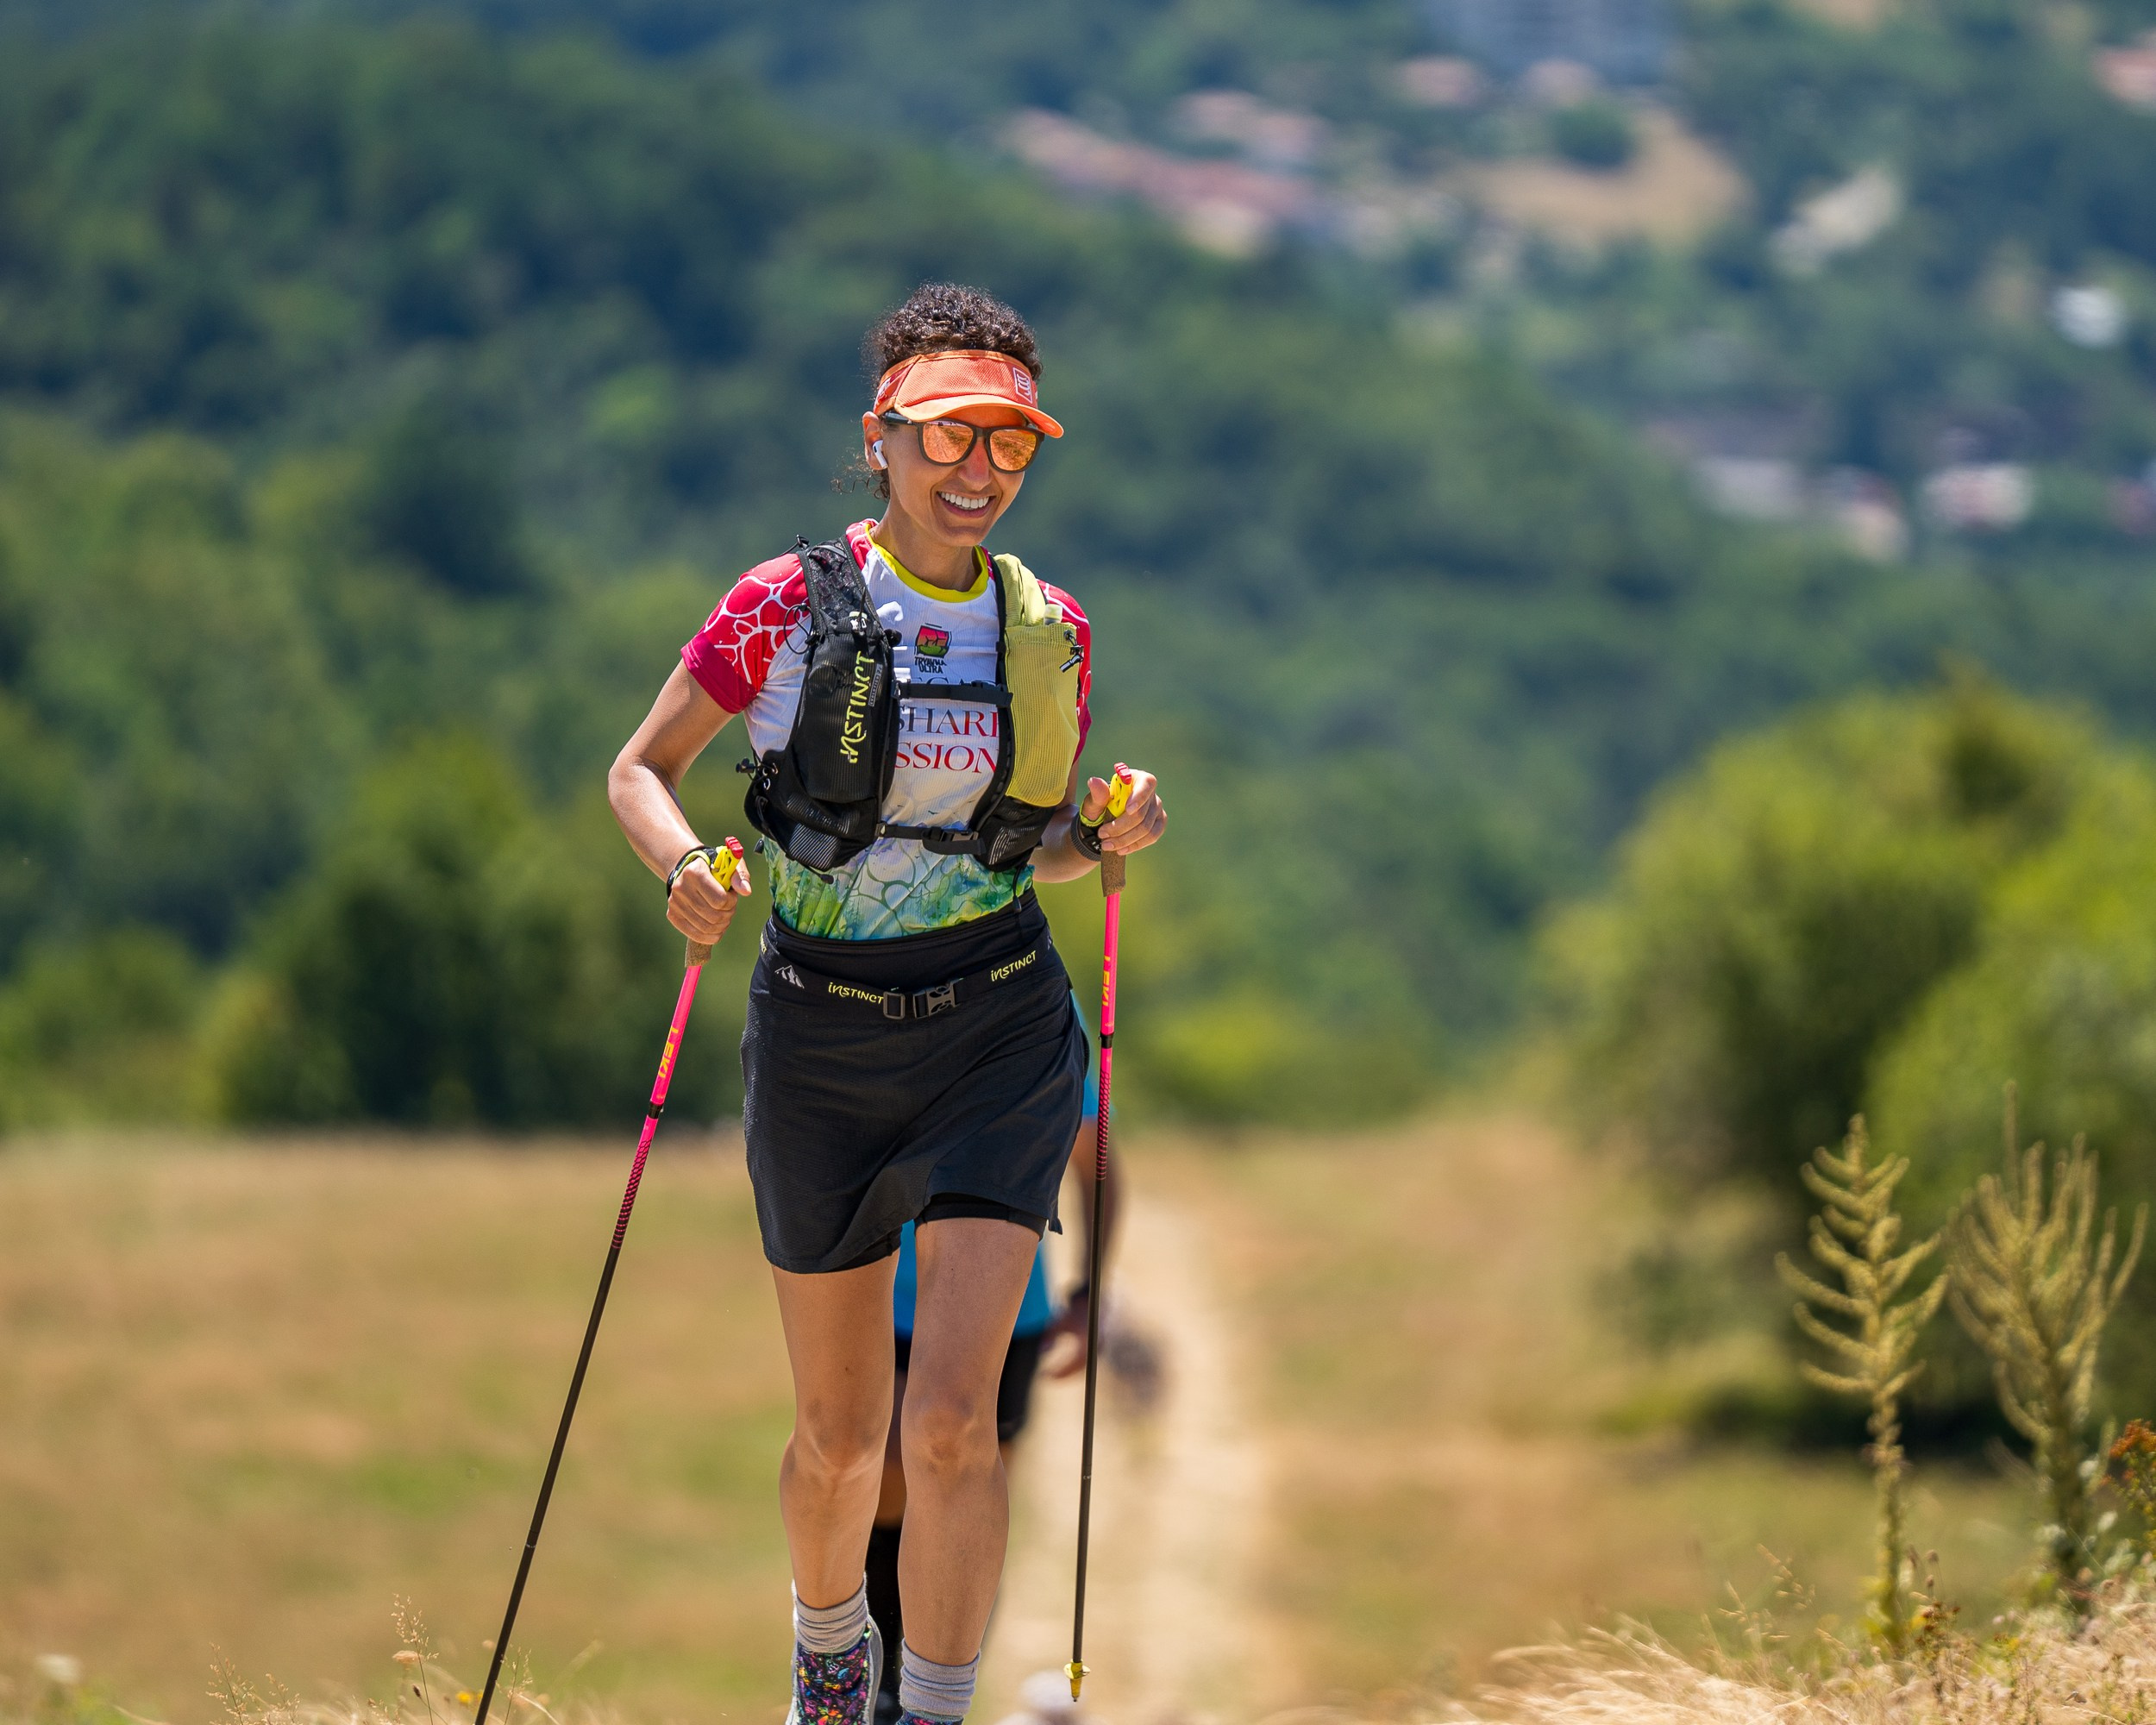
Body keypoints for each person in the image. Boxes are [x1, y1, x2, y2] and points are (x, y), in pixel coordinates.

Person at [607, 281, 1166, 1725]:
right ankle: (830, 1667)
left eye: (1009, 446)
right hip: (824, 1037)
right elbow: (640, 770)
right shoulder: (783, 605)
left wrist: (1103, 831)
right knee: (841, 1441)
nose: (976, 474)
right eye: (947, 439)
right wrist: (688, 875)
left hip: (997, 1031)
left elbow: (1020, 846)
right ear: (882, 437)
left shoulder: (1052, 629)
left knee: (952, 1428)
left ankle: (933, 1709)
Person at [867, 1002, 1120, 1725]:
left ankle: (936, 1694)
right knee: (886, 1475)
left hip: (1005, 1310)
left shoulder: (1040, 997)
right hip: (885, 1296)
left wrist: (1088, 1290)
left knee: (963, 1497)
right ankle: (878, 1683)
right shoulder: (878, 955)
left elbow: (1095, 1161)